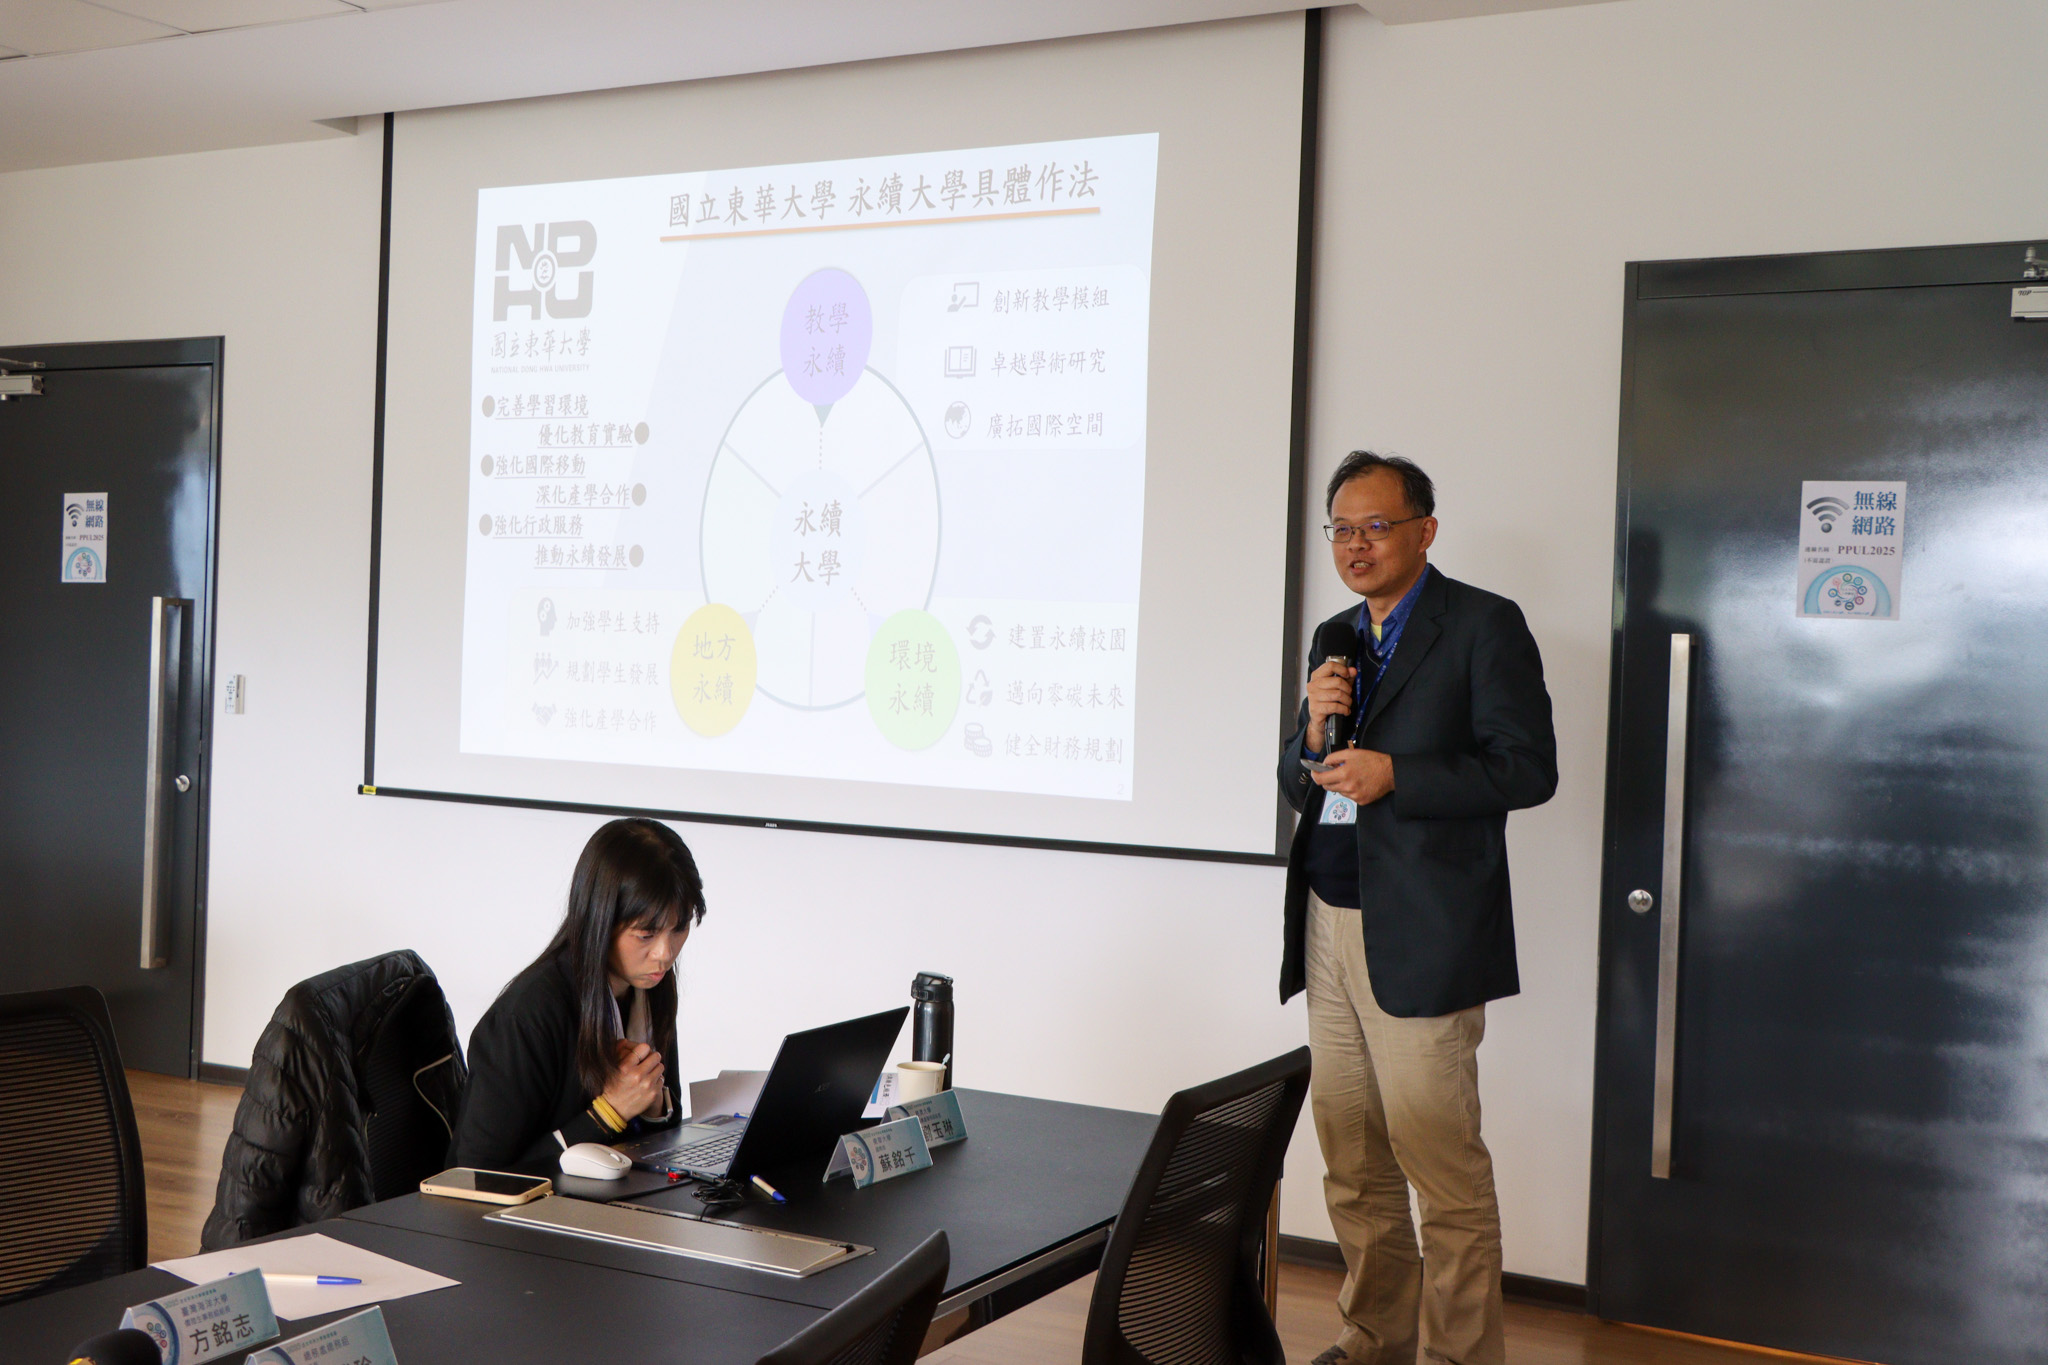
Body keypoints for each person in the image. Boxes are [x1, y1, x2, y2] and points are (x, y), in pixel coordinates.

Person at [1278, 451, 1556, 1365]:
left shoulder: (1482, 624)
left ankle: (1459, 1355)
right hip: (1328, 917)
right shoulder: (1335, 634)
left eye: (1376, 526)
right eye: (1341, 529)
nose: (1355, 545)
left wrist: (1399, 774)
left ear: (1425, 530)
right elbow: (1298, 778)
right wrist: (1311, 727)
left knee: (1441, 1167)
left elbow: (1528, 769)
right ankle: (1374, 1336)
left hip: (1424, 931)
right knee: (1352, 1160)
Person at [451, 817, 705, 1174]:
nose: (665, 954)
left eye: (679, 928)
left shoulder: (650, 983)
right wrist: (609, 1113)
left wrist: (651, 1103)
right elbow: (476, 1176)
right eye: (646, 935)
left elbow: (660, 1132)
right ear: (600, 920)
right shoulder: (526, 1016)